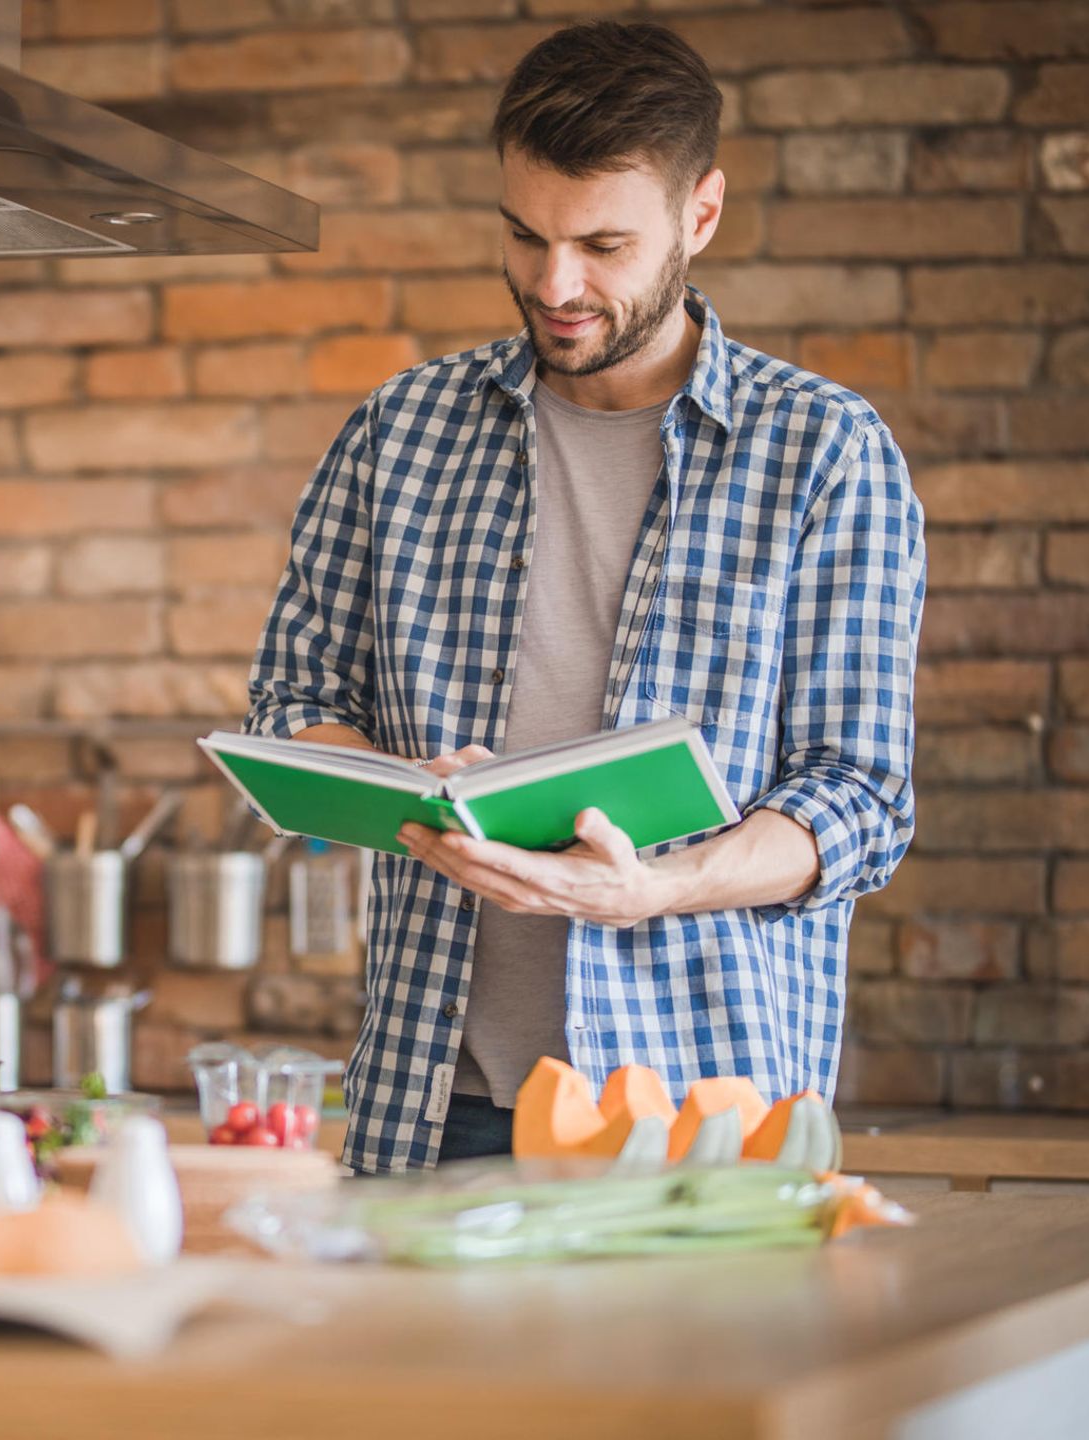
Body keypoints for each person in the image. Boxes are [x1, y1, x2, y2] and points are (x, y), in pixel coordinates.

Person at [244, 20, 926, 1174]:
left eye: (604, 245)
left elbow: (858, 801)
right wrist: (405, 786)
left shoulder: (824, 450)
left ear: (699, 215)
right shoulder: (400, 431)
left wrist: (650, 889)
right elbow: (290, 703)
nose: (555, 286)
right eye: (525, 236)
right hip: (432, 1102)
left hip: (701, 1112)